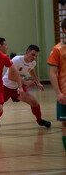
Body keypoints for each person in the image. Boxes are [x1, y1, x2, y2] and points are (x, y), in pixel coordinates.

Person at [48, 18, 66, 151]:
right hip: (64, 94)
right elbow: (53, 73)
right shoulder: (57, 50)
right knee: (65, 124)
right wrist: (58, 93)